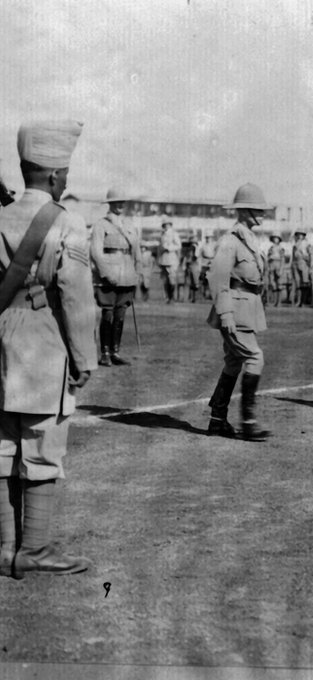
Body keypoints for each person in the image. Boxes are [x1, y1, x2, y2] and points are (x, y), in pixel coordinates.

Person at [0, 119, 97, 578]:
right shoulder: (67, 222)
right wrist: (84, 359)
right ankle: (33, 550)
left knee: (1, 443)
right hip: (42, 340)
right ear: (56, 175)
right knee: (41, 445)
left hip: (0, 336)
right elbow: (76, 299)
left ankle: (3, 549)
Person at [205, 183, 272, 442]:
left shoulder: (250, 239)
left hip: (248, 308)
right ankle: (248, 422)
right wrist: (226, 315)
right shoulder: (230, 240)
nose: (263, 214)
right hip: (234, 308)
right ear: (243, 211)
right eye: (257, 209)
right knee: (255, 357)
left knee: (234, 361)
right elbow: (217, 278)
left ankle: (217, 420)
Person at [90, 187, 141, 366]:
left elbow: (136, 251)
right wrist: (106, 274)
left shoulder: (129, 225)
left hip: (127, 275)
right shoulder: (101, 225)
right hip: (108, 276)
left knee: (120, 315)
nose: (120, 205)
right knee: (108, 314)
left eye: (122, 202)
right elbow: (95, 252)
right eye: (116, 202)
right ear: (110, 204)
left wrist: (137, 272)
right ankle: (104, 353)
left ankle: (115, 352)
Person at [158, 219, 181, 303]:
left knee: (172, 280)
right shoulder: (162, 235)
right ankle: (167, 297)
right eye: (164, 225)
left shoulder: (174, 234)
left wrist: (169, 248)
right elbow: (159, 248)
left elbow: (178, 245)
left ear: (170, 225)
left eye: (167, 224)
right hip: (164, 259)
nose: (166, 226)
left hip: (171, 259)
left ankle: (171, 297)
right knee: (165, 280)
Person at [290, 229, 311, 307]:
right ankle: (298, 301)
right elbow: (293, 256)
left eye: (301, 235)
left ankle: (303, 301)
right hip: (296, 263)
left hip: (304, 263)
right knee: (297, 283)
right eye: (298, 235)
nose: (299, 236)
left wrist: (309, 264)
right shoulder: (295, 245)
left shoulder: (306, 244)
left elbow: (310, 256)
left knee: (304, 283)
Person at [265, 234, 285, 307]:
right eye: (274, 238)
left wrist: (281, 269)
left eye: (277, 238)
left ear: (279, 240)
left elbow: (283, 259)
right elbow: (268, 257)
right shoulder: (271, 248)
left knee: (279, 283)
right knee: (273, 284)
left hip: (278, 264)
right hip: (271, 265)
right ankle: (275, 301)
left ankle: (279, 301)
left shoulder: (281, 248)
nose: (275, 239)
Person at [198, 233, 217, 300]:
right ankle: (204, 294)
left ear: (211, 238)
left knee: (212, 280)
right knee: (204, 280)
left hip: (212, 263)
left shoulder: (215, 245)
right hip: (204, 263)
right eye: (207, 238)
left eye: (209, 238)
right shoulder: (203, 246)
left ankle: (211, 295)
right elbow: (200, 255)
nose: (208, 239)